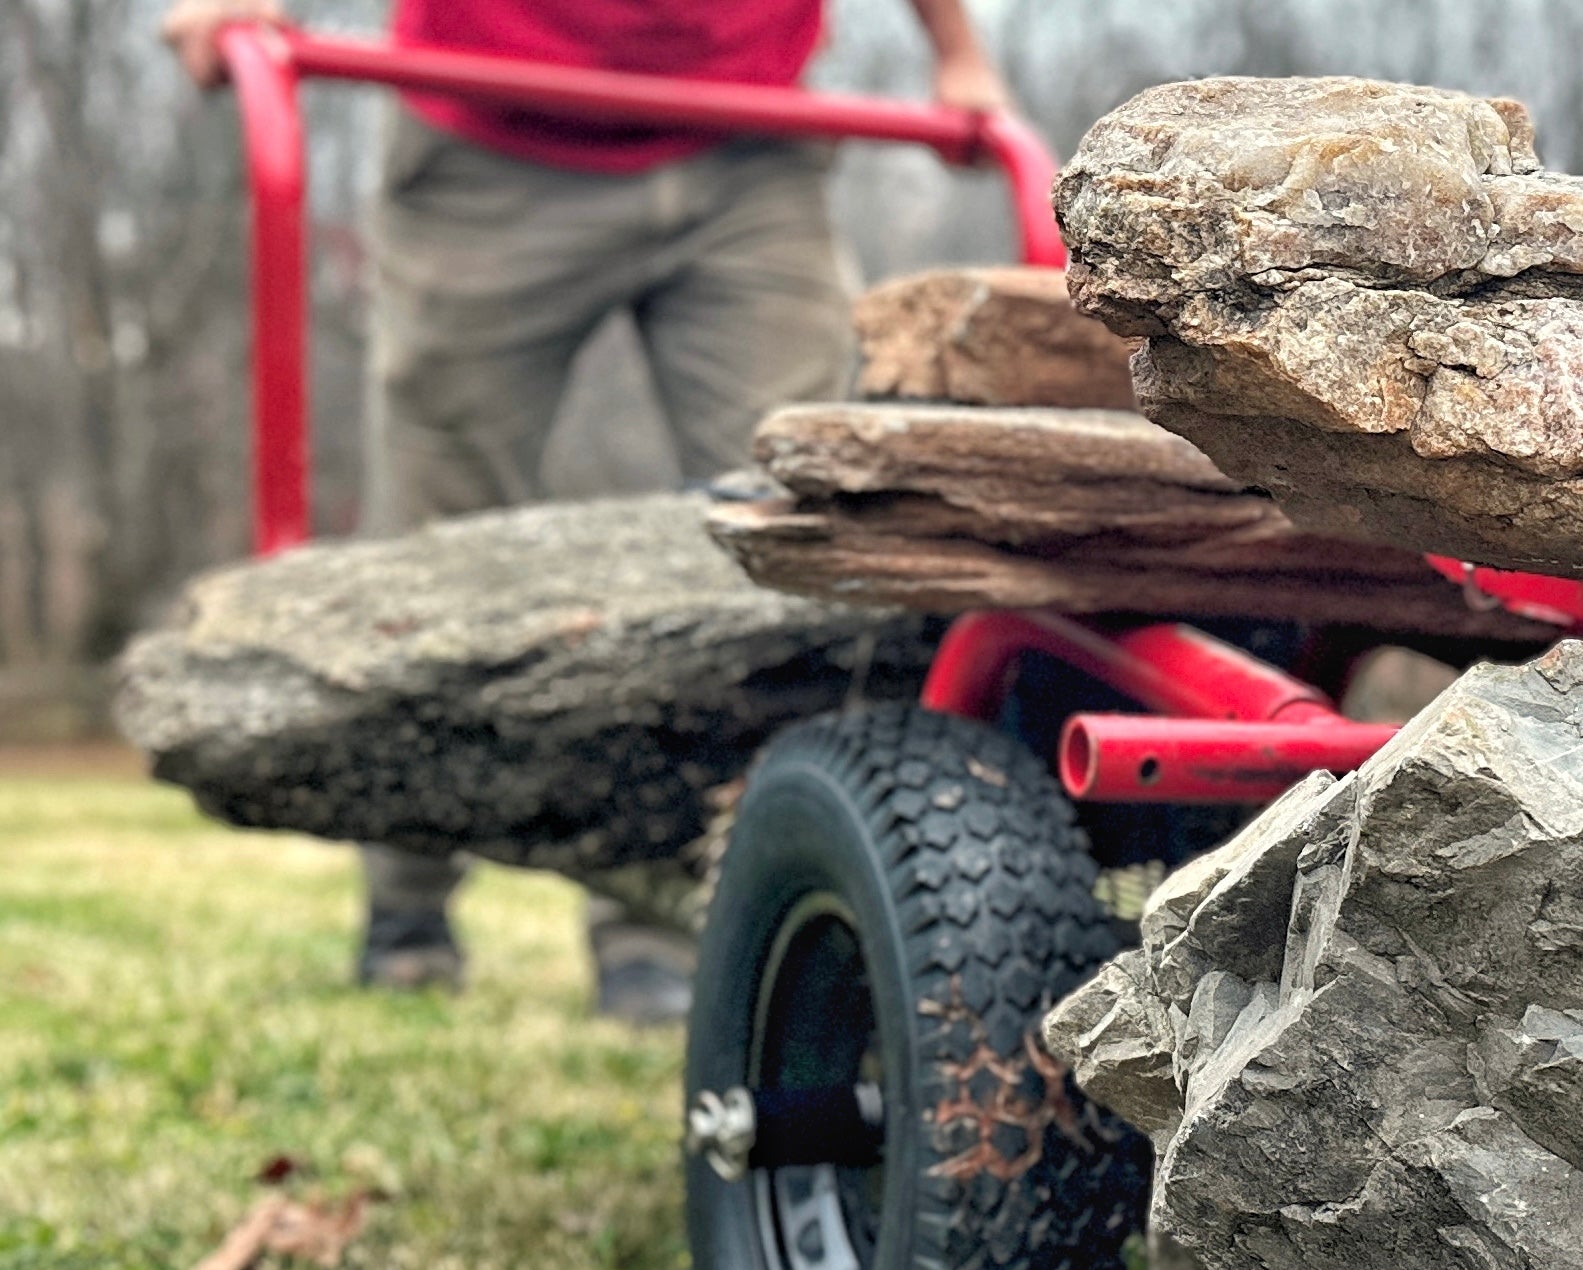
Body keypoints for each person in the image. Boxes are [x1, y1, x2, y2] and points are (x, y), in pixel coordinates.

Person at [162, 0, 1012, 1018]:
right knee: (439, 537)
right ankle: (408, 903)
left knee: (788, 529)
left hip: (745, 133)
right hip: (491, 124)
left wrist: (956, 52)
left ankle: (666, 922)